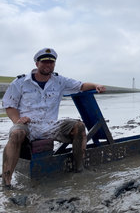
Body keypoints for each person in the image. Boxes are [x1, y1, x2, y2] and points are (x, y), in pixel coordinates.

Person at [2, 48, 106, 188]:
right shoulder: (20, 82)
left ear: (54, 64)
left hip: (51, 125)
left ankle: (79, 169)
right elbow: (9, 105)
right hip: (28, 125)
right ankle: (6, 181)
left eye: (51, 62)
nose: (48, 65)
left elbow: (80, 85)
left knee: (79, 126)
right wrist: (17, 120)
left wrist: (95, 85)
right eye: (44, 62)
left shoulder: (59, 81)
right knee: (16, 133)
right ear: (36, 63)